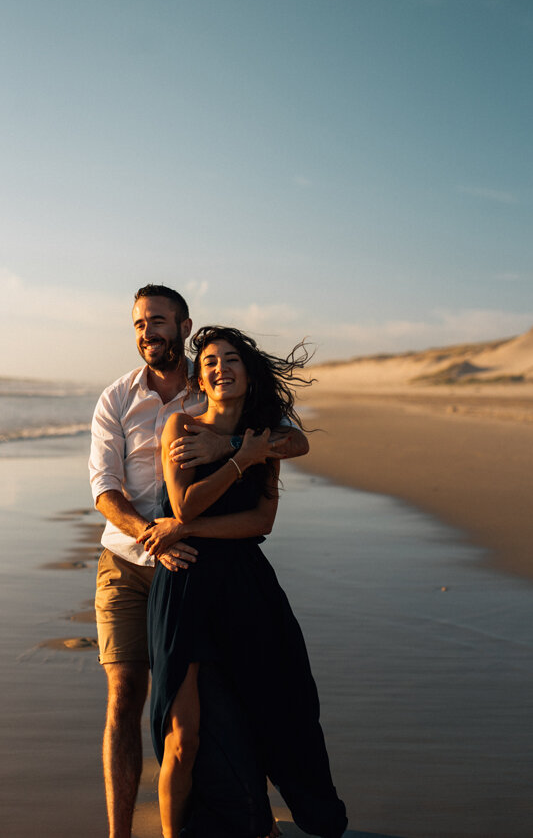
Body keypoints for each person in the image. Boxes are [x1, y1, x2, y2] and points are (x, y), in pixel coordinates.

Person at [89, 286, 310, 838]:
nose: (147, 333)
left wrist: (227, 446)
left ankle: (244, 816)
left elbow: (289, 440)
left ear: (184, 327)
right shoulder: (116, 398)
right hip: (127, 559)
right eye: (140, 324)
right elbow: (104, 491)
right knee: (125, 695)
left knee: (222, 700)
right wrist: (151, 536)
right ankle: (120, 833)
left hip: (197, 566)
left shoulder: (214, 381)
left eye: (158, 322)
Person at [138, 326, 348, 838]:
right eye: (208, 362)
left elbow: (261, 523)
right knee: (182, 736)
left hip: (245, 588)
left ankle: (260, 819)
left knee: (270, 709)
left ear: (249, 376)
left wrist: (241, 451)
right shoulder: (179, 428)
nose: (219, 367)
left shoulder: (265, 437)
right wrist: (238, 461)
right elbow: (185, 503)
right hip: (184, 587)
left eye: (231, 359)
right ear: (200, 379)